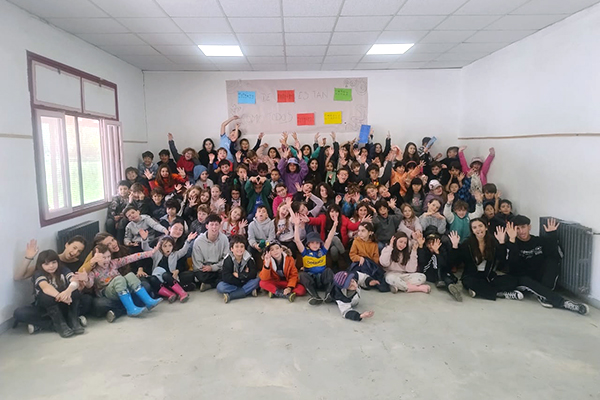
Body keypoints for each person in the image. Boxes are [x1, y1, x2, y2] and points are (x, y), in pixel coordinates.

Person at [504, 218, 589, 314]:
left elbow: (555, 255)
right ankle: (564, 303)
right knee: (525, 280)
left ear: (529, 227)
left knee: (552, 261)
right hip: (523, 280)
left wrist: (552, 235)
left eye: (523, 227)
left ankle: (544, 295)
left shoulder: (538, 241)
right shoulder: (512, 244)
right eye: (517, 229)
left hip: (540, 279)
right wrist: (512, 240)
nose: (521, 231)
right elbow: (513, 266)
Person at [449, 221, 523, 301]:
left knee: (512, 281)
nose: (478, 229)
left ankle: (478, 291)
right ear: (472, 231)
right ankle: (500, 294)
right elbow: (455, 261)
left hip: (488, 276)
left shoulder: (493, 242)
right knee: (469, 282)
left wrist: (501, 243)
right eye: (475, 227)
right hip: (472, 276)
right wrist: (455, 247)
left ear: (486, 228)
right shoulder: (467, 243)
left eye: (480, 226)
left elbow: (502, 260)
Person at [85, 244, 162, 317]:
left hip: (122, 287)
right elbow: (89, 284)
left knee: (130, 275)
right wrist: (85, 279)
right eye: (103, 258)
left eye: (108, 256)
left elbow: (131, 258)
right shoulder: (93, 271)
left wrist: (151, 253)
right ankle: (130, 309)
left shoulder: (113, 263)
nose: (107, 260)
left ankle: (148, 301)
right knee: (119, 279)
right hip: (108, 291)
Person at [31, 250, 83, 338]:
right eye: (46, 264)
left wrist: (68, 291)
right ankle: (60, 325)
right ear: (41, 265)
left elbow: (75, 281)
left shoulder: (63, 270)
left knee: (80, 295)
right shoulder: (38, 273)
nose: (51, 266)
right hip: (47, 307)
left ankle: (73, 321)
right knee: (21, 313)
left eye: (54, 262)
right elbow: (45, 287)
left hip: (66, 303)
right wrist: (60, 296)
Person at [293, 213, 337, 305]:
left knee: (329, 271)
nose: (315, 245)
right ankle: (315, 296)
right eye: (312, 243)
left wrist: (335, 224)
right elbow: (297, 240)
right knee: (302, 275)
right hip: (312, 280)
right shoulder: (305, 252)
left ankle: (328, 294)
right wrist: (296, 225)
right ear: (308, 244)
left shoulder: (323, 250)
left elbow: (329, 238)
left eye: (317, 243)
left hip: (323, 279)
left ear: (320, 244)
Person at [141, 232, 196, 303]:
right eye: (165, 246)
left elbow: (183, 251)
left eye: (170, 245)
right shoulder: (156, 253)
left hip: (170, 279)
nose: (168, 248)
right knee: (152, 278)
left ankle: (182, 293)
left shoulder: (175, 254)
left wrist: (188, 241)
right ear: (160, 247)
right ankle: (170, 294)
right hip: (159, 281)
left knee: (165, 275)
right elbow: (146, 249)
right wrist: (144, 240)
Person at [183, 214, 229, 292]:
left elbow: (226, 258)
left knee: (227, 272)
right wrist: (206, 268)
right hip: (204, 269)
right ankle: (216, 282)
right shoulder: (198, 241)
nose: (214, 227)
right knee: (200, 275)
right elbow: (197, 263)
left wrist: (213, 267)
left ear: (219, 226)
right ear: (207, 226)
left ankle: (210, 284)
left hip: (219, 267)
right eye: (212, 224)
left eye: (216, 225)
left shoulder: (224, 239)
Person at [416, 231, 461, 302]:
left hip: (442, 272)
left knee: (446, 276)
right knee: (435, 260)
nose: (431, 245)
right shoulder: (424, 250)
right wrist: (420, 246)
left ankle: (451, 287)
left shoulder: (442, 250)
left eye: (434, 242)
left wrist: (437, 252)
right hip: (429, 273)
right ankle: (446, 282)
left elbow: (445, 264)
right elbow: (422, 262)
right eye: (429, 243)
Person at [348, 222, 390, 292]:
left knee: (378, 274)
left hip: (370, 265)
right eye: (359, 231)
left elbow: (375, 258)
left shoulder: (374, 244)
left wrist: (370, 263)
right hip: (359, 264)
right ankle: (368, 281)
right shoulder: (356, 241)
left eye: (363, 231)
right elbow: (352, 254)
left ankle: (370, 281)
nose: (360, 233)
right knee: (353, 273)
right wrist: (359, 258)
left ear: (370, 232)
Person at [217, 235, 260, 303]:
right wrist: (243, 277)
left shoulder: (249, 258)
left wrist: (239, 276)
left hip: (245, 281)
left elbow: (253, 273)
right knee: (220, 287)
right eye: (236, 246)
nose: (239, 249)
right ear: (232, 249)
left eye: (242, 246)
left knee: (258, 281)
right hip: (234, 283)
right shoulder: (227, 259)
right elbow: (226, 277)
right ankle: (247, 291)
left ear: (245, 248)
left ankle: (231, 296)